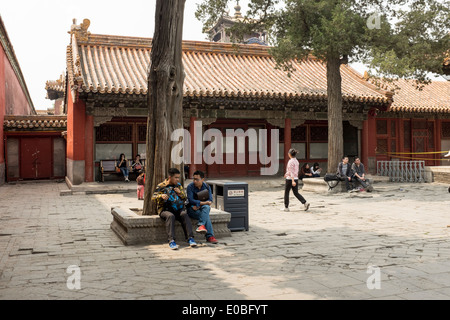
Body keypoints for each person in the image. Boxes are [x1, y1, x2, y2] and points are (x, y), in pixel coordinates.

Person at [152, 168, 197, 250]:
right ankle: (171, 240)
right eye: (176, 177)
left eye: (178, 177)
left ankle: (190, 238)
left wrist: (180, 193)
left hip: (177, 208)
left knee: (184, 214)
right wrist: (161, 196)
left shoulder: (178, 186)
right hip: (165, 210)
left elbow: (185, 198)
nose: (177, 179)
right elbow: (153, 197)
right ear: (170, 177)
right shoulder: (161, 186)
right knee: (170, 216)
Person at [186, 170, 218, 244]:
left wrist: (199, 204)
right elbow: (190, 200)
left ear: (202, 179)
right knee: (206, 215)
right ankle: (210, 236)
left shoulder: (207, 186)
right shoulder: (190, 187)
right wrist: (203, 203)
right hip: (192, 209)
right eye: (193, 179)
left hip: (202, 208)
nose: (194, 181)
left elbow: (210, 200)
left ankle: (201, 225)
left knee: (206, 208)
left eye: (197, 179)